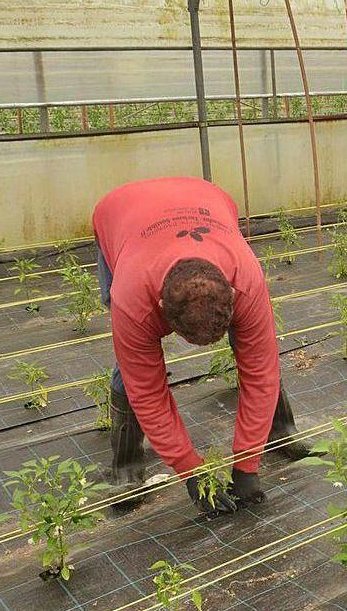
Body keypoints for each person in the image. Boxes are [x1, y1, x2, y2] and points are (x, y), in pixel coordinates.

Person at [91, 176, 311, 515]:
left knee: (253, 347)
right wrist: (191, 472)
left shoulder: (245, 279)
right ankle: (126, 467)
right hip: (120, 215)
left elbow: (260, 368)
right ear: (162, 311)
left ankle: (280, 430)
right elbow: (147, 391)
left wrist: (246, 466)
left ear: (232, 295)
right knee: (131, 361)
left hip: (207, 201)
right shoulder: (133, 299)